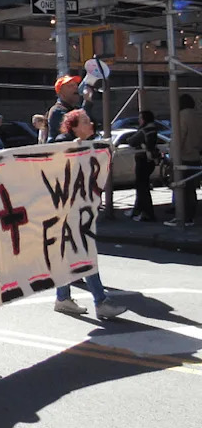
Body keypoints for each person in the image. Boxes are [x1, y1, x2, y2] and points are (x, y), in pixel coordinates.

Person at [50, 110, 129, 319]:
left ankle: (63, 298)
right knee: (83, 253)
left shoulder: (86, 142)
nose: (91, 123)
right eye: (85, 121)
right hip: (66, 211)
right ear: (73, 126)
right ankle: (100, 301)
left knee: (71, 255)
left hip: (77, 210)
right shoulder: (62, 143)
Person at [166, 94, 202, 227]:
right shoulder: (198, 116)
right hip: (195, 156)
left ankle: (183, 217)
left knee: (181, 188)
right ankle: (190, 216)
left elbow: (178, 138)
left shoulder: (181, 116)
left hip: (183, 158)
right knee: (191, 190)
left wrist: (173, 156)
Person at [126, 109, 160, 222]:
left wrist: (130, 138)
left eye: (140, 118)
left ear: (144, 119)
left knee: (142, 188)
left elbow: (132, 141)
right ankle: (137, 210)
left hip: (143, 160)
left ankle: (147, 214)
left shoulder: (144, 130)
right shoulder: (153, 128)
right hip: (150, 161)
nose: (139, 121)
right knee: (142, 186)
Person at [46, 75, 90, 143]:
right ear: (60, 92)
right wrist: (87, 102)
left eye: (75, 85)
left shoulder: (75, 109)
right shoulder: (57, 111)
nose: (76, 87)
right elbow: (78, 125)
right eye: (70, 86)